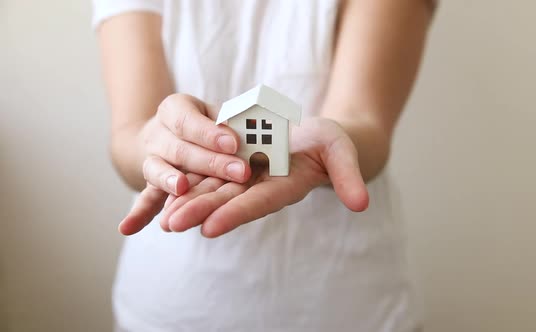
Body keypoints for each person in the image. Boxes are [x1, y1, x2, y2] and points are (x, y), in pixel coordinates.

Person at [93, 0, 436, 331]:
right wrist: (160, 144)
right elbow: (130, 139)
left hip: (348, 302)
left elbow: (365, 121)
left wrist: (326, 145)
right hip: (169, 303)